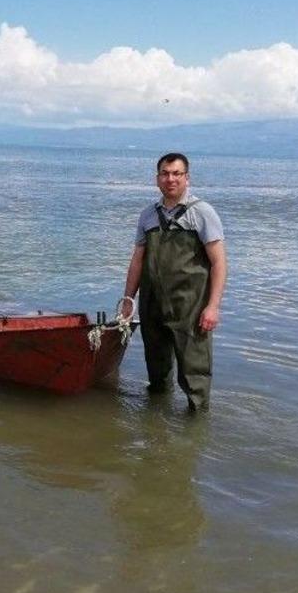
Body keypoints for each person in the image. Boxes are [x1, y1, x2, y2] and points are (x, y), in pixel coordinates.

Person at [122, 153, 227, 413]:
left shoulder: (202, 213)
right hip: (152, 305)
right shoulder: (148, 215)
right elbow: (137, 259)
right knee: (157, 375)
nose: (170, 179)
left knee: (195, 376)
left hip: (189, 307)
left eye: (176, 174)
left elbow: (219, 263)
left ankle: (195, 434)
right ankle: (156, 431)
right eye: (165, 173)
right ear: (157, 178)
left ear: (186, 178)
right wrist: (128, 299)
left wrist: (212, 306)